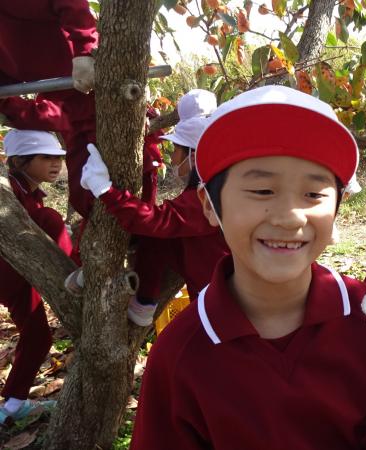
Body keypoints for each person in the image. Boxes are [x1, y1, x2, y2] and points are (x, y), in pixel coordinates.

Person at [129, 85, 366, 449]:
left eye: (313, 194)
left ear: (338, 205)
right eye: (262, 191)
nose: (289, 217)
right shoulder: (181, 354)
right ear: (209, 204)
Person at [80, 115, 228, 326]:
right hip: (214, 298)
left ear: (194, 156)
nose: (173, 159)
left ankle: (144, 302)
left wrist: (105, 190)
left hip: (224, 305)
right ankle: (144, 301)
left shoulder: (205, 199)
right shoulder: (209, 192)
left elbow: (155, 220)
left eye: (176, 151)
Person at [0, 130, 73, 423]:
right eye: (46, 157)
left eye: (58, 157)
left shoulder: (30, 191)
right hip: (11, 273)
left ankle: (13, 404)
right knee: (50, 219)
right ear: (19, 161)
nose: (56, 164)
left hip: (21, 273)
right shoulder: (9, 192)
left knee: (39, 336)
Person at [0, 0, 98, 218]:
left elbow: (70, 3)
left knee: (113, 187)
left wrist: (84, 50)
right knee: (85, 197)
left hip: (93, 90)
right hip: (68, 103)